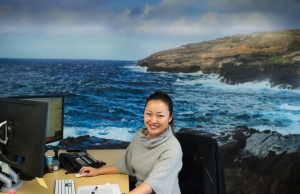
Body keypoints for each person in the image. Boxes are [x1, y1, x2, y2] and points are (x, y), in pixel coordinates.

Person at [79, 91, 183, 194]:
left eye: (160, 116)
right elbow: (124, 165)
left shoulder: (172, 148)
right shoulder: (140, 136)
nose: (153, 120)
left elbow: (151, 184)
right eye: (149, 114)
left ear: (170, 117)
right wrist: (97, 171)